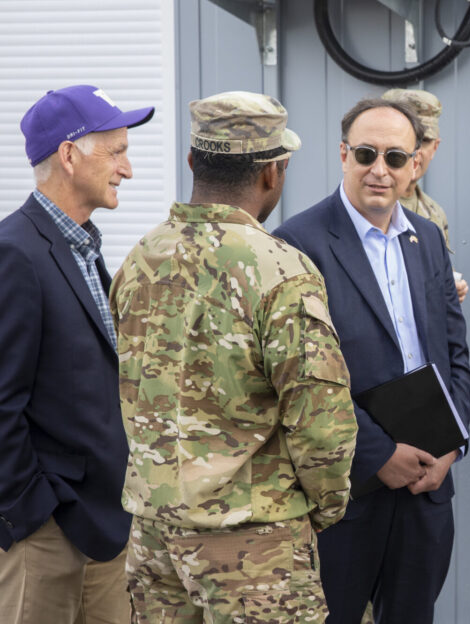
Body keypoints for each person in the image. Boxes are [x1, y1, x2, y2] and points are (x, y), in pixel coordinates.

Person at [112, 91, 357, 623]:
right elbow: (322, 422)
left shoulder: (140, 258)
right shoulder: (282, 270)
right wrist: (326, 506)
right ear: (273, 172)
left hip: (155, 531)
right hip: (252, 547)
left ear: (193, 162)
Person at [274, 97, 470, 624]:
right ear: (343, 155)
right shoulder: (298, 243)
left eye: (395, 157)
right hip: (348, 491)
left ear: (416, 165)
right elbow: (298, 378)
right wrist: (378, 454)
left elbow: (454, 352)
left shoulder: (426, 238)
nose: (379, 170)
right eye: (366, 154)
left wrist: (453, 444)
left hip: (428, 485)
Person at [0, 84, 153, 624]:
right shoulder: (15, 252)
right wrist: (33, 514)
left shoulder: (83, 246)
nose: (127, 169)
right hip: (46, 536)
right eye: (115, 152)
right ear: (68, 155)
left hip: (104, 530)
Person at [382, 88, 469, 303]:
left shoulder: (433, 213)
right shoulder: (370, 208)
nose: (416, 152)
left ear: (436, 147)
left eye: (425, 141)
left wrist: (450, 289)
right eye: (409, 139)